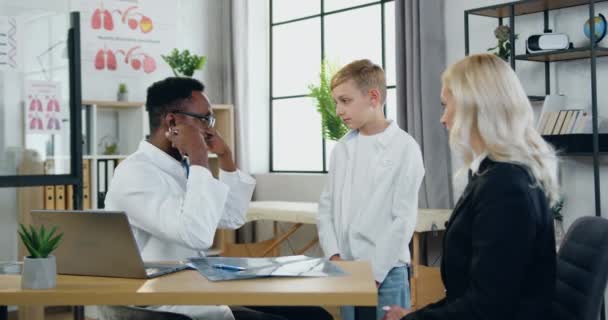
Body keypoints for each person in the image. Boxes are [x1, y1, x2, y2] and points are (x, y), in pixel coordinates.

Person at [105, 77, 331, 320]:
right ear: (172, 122)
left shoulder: (180, 167)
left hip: (197, 288)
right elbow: (197, 235)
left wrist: (225, 156)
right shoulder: (135, 173)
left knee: (314, 315)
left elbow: (231, 217)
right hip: (164, 304)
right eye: (204, 119)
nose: (210, 129)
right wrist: (199, 157)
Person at [383, 53, 559, 320]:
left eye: (446, 105)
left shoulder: (504, 187)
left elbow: (487, 308)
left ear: (473, 107)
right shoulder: (498, 175)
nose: (443, 119)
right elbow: (471, 296)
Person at [316, 59, 425, 320]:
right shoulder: (342, 149)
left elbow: (403, 219)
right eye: (336, 102)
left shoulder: (405, 148)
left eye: (345, 100)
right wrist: (334, 254)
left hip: (387, 272)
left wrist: (374, 274)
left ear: (373, 97)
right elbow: (326, 206)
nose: (338, 110)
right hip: (347, 269)